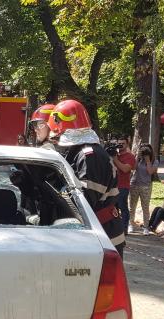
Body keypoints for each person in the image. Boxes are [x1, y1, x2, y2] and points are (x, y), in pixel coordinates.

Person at [47, 99, 125, 255]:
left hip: (102, 236)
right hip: (96, 232)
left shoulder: (89, 156)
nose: (57, 143)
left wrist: (53, 190)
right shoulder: (84, 153)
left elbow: (84, 202)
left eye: (57, 137)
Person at [128, 143, 159, 235]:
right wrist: (137, 157)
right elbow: (133, 168)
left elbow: (150, 172)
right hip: (134, 184)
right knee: (132, 207)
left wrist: (148, 160)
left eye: (146, 150)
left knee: (145, 207)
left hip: (146, 186)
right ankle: (131, 224)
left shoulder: (155, 161)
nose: (144, 152)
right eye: (142, 150)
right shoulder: (138, 159)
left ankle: (146, 227)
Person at [111, 137, 136, 232]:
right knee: (113, 208)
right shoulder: (114, 155)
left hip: (123, 186)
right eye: (119, 143)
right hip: (112, 186)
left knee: (123, 207)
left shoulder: (130, 156)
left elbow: (125, 169)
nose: (120, 145)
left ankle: (124, 228)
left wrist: (115, 159)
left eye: (123, 143)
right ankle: (116, 228)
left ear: (127, 144)